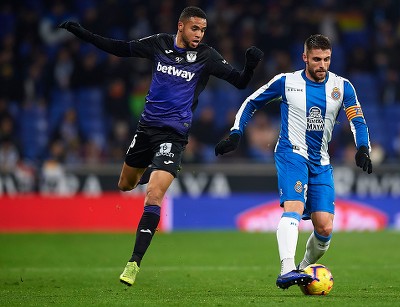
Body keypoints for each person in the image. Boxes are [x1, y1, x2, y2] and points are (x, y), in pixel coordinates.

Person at [58, 6, 263, 286]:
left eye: (203, 30)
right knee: (125, 185)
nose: (199, 35)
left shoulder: (206, 56)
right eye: (195, 29)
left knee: (153, 195)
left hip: (175, 135)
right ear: (181, 26)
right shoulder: (159, 44)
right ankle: (148, 169)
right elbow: (120, 48)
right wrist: (83, 34)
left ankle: (133, 263)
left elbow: (239, 82)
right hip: (146, 130)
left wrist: (250, 66)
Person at [215, 34, 372, 289]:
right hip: (291, 153)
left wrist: (364, 148)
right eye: (317, 59)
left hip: (321, 161)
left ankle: (301, 269)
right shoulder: (286, 82)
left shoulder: (343, 86)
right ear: (305, 58)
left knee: (324, 228)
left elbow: (358, 120)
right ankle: (286, 268)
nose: (322, 65)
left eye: (327, 59)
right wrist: (236, 132)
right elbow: (251, 102)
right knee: (294, 208)